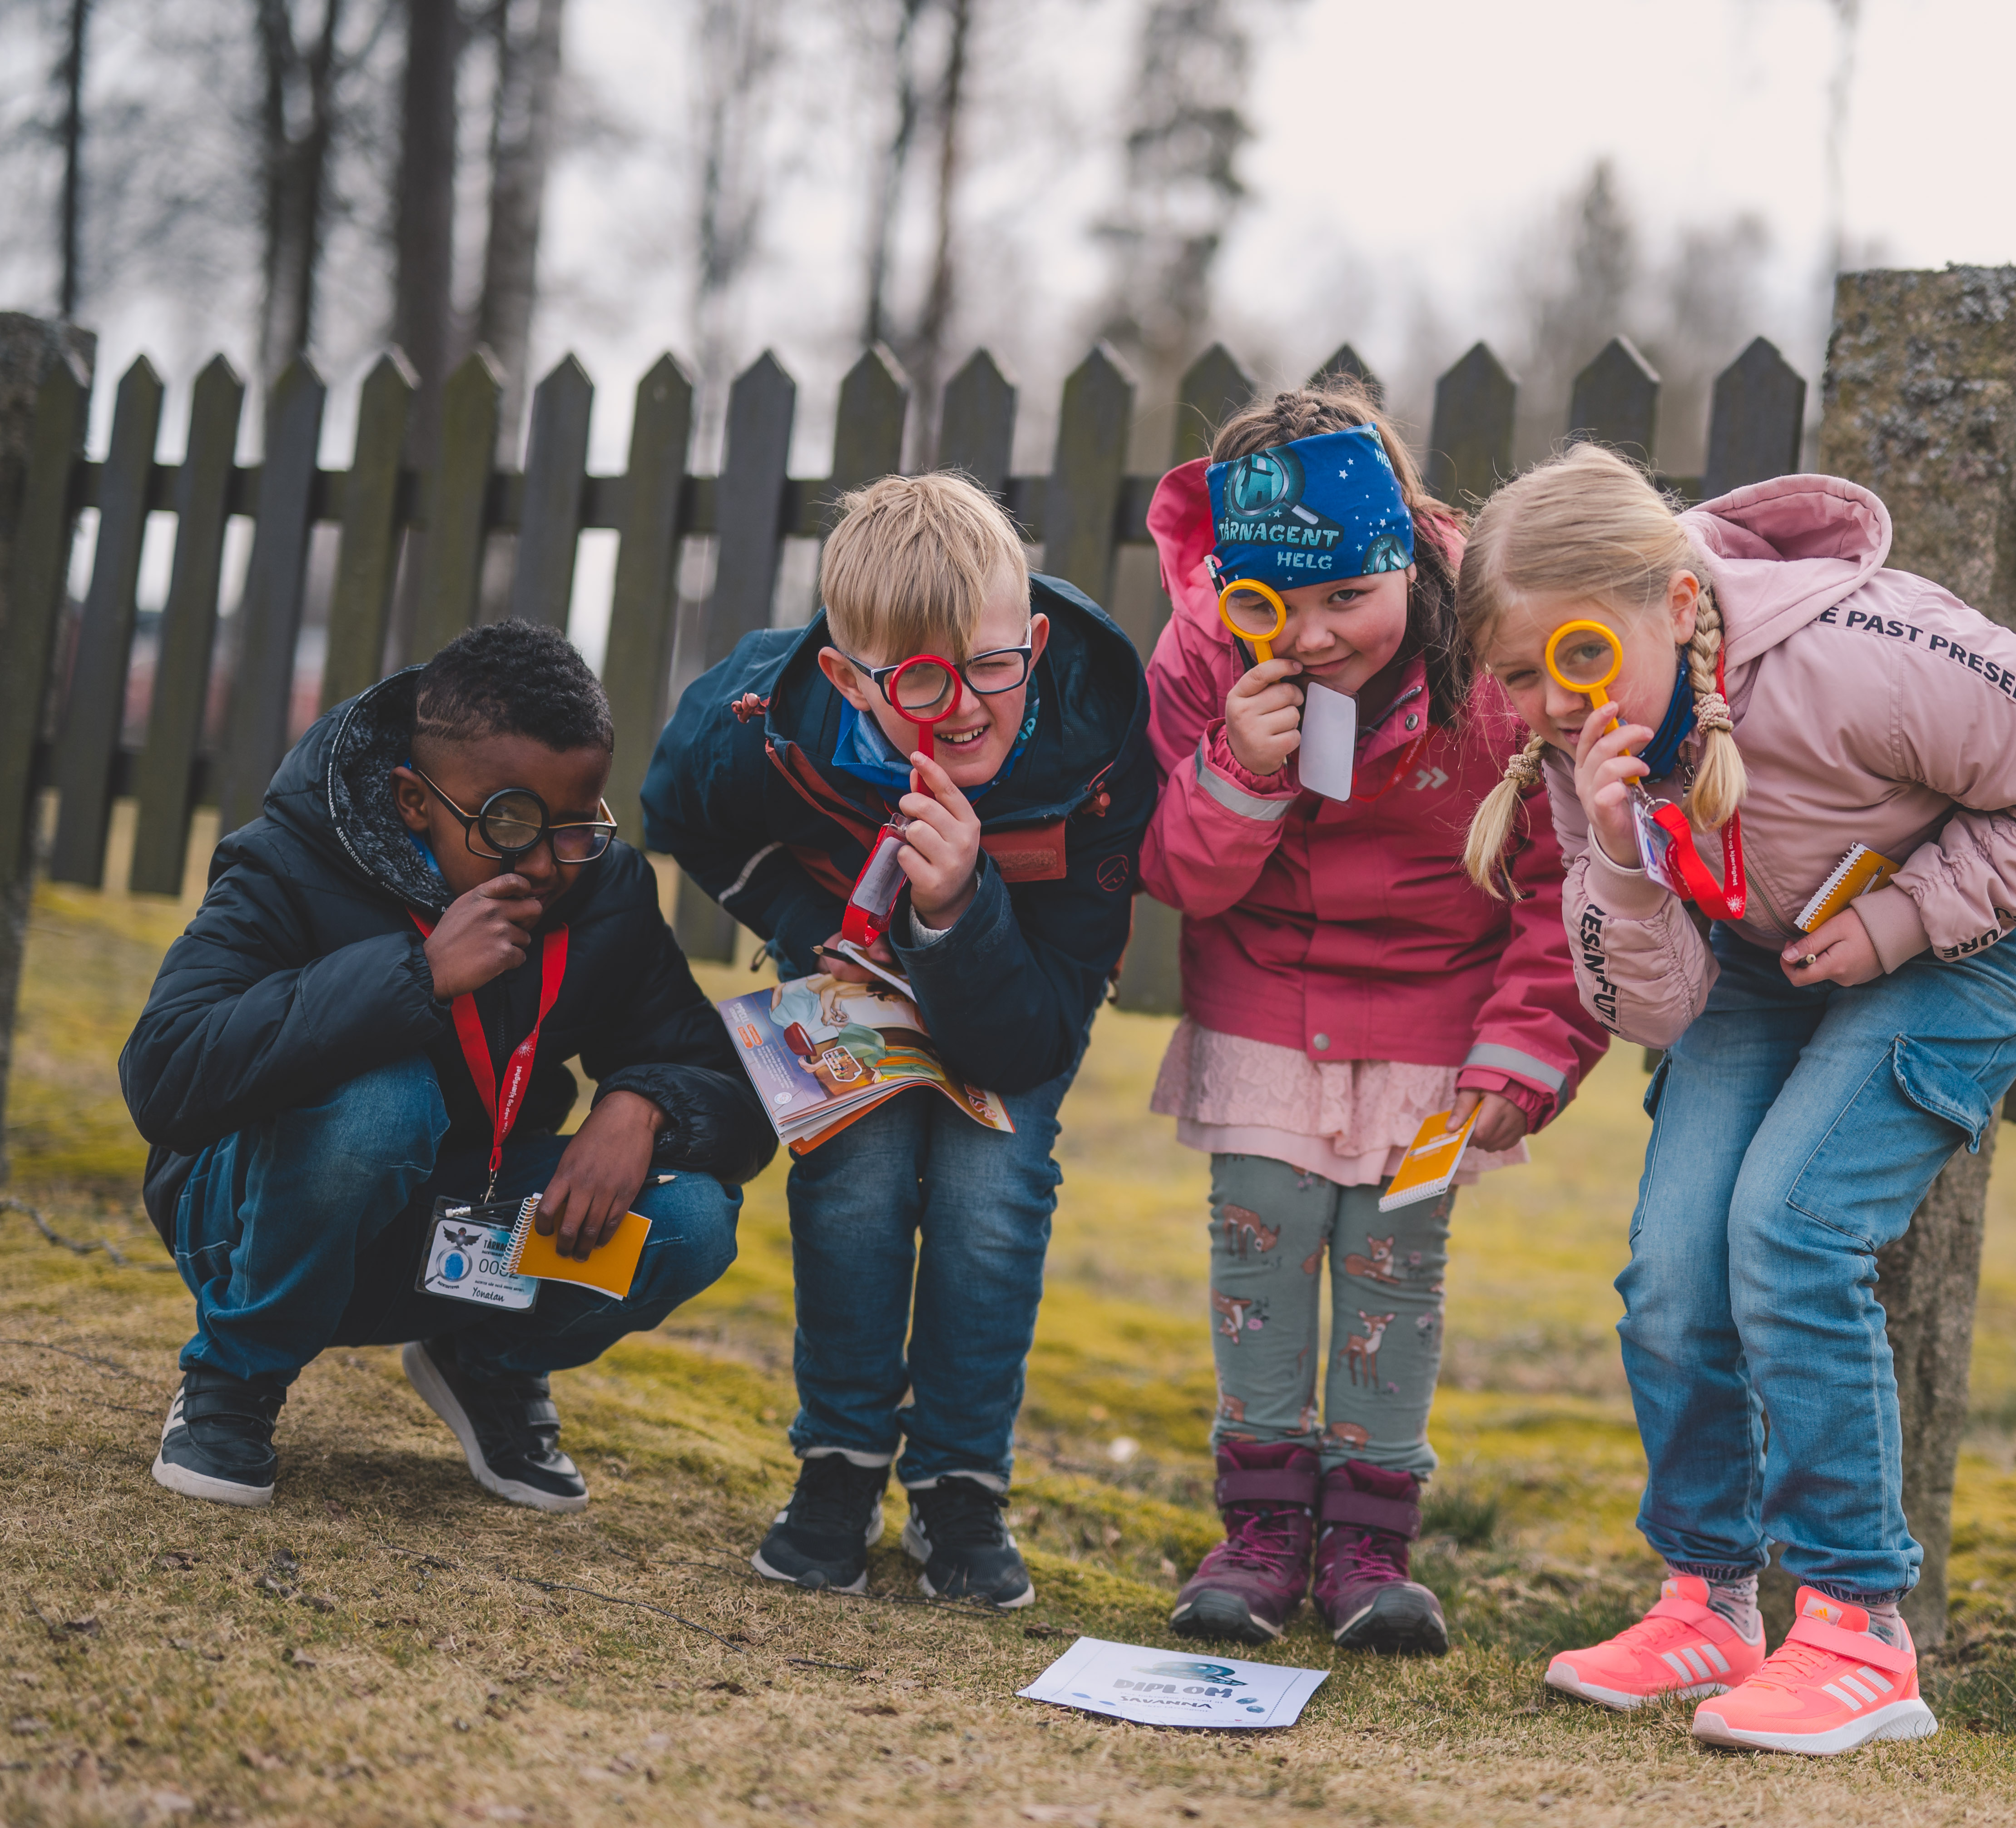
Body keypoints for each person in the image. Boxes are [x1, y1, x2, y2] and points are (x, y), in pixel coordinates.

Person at [1457, 445, 2016, 1753]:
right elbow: (1648, 1006)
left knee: (1787, 1227)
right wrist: (1616, 856)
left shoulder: (1862, 657)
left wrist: (1903, 923)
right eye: (1517, 675)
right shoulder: (1583, 736)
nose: (1547, 701)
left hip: (1976, 946)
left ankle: (1859, 1629)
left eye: (1572, 658)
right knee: (1671, 1262)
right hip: (1765, 958)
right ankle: (1708, 1599)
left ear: (1669, 602)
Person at [1140, 385, 1610, 1654]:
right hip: (1264, 1018)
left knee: (1398, 1269)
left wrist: (1525, 1049)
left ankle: (1368, 1546)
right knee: (1262, 1250)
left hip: (1434, 1036)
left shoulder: (1495, 661)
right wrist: (1238, 767)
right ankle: (1260, 1533)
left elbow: (1561, 877)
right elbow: (1180, 877)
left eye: (1348, 597)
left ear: (1403, 549)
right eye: (1277, 607)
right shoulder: (1198, 659)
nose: (1315, 636)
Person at [120, 620, 776, 1513]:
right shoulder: (289, 859)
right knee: (381, 1104)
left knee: (691, 1214)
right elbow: (165, 1071)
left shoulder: (605, 888)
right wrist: (414, 975)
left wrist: (643, 1102)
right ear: (413, 800)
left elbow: (727, 1084)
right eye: (509, 823)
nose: (548, 861)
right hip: (250, 1220)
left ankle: (488, 1360)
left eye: (580, 821)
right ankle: (235, 1377)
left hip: (451, 1238)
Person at [643, 473, 1154, 1606]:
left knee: (990, 1190)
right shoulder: (762, 717)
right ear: (844, 671)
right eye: (919, 679)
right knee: (856, 1176)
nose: (964, 704)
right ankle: (839, 1466)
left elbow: (1033, 1039)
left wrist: (957, 908)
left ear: (1032, 638)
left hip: (1021, 984)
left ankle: (960, 1486)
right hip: (848, 968)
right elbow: (677, 807)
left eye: (991, 665)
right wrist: (805, 924)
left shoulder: (1104, 740)